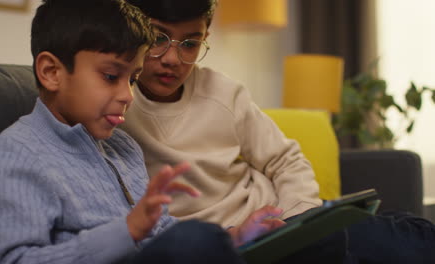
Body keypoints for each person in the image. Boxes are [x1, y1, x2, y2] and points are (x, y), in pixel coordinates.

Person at [121, 0, 435, 263]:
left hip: (277, 221)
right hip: (225, 244)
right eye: (158, 39)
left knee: (404, 232)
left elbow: (286, 160)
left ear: (206, 36)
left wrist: (300, 219)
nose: (173, 59)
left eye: (191, 44)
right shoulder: (115, 104)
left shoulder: (223, 93)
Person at [0, 1, 287, 263]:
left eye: (133, 79)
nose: (128, 95)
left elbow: (162, 231)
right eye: (111, 76)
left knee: (316, 237)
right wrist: (126, 231)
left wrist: (236, 237)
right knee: (193, 240)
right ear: (51, 72)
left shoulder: (123, 146)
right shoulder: (16, 152)